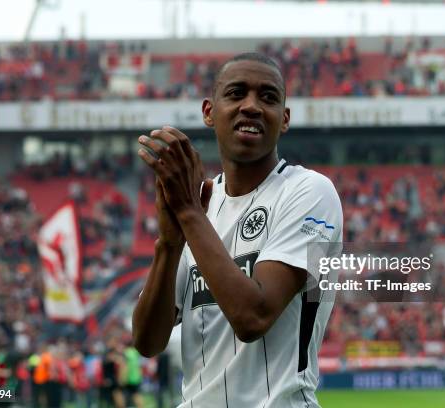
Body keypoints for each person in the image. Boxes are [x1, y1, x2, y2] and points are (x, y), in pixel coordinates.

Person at [133, 52, 343, 407]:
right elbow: (147, 342)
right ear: (208, 112)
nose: (252, 106)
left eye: (268, 97)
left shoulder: (310, 192)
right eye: (236, 93)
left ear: (285, 119)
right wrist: (168, 244)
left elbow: (253, 317)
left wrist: (188, 214)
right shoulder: (201, 205)